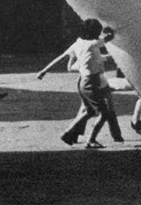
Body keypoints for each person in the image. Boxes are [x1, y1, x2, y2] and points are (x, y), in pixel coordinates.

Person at [38, 18, 122, 148]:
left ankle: (68, 133)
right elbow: (110, 37)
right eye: (98, 31)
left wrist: (44, 71)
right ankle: (91, 140)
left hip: (83, 82)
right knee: (104, 113)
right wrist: (109, 29)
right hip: (92, 82)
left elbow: (60, 58)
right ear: (94, 32)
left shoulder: (78, 44)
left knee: (89, 111)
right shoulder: (93, 44)